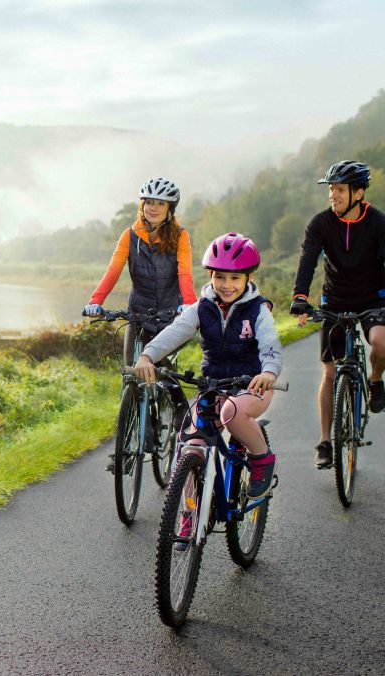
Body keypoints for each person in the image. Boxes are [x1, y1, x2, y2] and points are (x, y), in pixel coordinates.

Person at [132, 233, 282, 505]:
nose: (226, 285)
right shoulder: (201, 308)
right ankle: (188, 516)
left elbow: (270, 343)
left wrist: (269, 372)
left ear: (248, 278)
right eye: (220, 277)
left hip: (253, 384)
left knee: (232, 413)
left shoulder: (258, 310)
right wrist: (147, 356)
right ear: (211, 275)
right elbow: (175, 332)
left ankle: (262, 460)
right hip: (213, 384)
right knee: (190, 443)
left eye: (235, 278)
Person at [289, 160, 385, 470]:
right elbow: (307, 261)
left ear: (358, 193)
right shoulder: (320, 224)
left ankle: (375, 378)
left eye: (340, 190)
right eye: (331, 190)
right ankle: (325, 442)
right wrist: (300, 297)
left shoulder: (380, 224)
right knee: (330, 373)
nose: (333, 196)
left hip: (374, 299)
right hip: (335, 300)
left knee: (381, 344)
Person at [83, 177, 197, 364]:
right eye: (149, 202)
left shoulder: (180, 236)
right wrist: (95, 301)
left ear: (170, 208)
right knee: (131, 371)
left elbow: (184, 273)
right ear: (142, 205)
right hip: (138, 315)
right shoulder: (130, 235)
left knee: (162, 369)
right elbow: (113, 271)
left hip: (170, 317)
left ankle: (173, 391)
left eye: (160, 203)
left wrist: (189, 304)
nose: (153, 208)